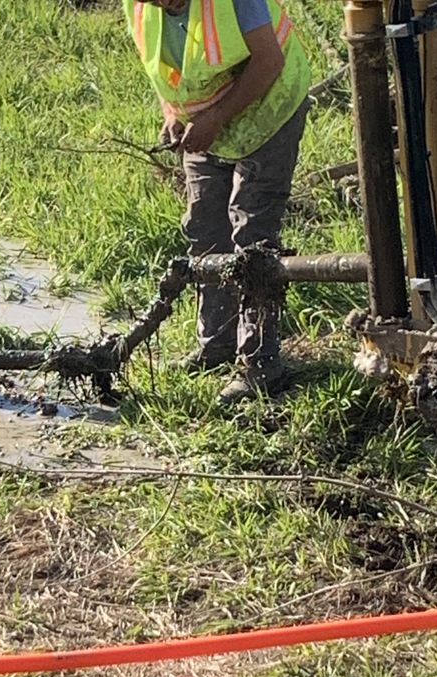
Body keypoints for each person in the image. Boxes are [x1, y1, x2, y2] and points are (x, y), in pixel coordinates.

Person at [124, 0, 311, 404]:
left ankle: (262, 365)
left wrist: (215, 119)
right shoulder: (139, 7)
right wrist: (173, 111)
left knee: (253, 236)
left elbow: (268, 62)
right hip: (209, 119)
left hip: (269, 110)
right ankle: (216, 345)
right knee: (205, 226)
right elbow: (163, 67)